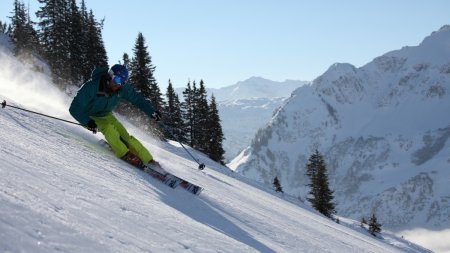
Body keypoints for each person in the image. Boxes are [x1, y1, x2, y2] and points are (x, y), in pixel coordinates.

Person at [69, 64, 162, 168]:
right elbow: (74, 108)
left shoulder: (121, 89)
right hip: (88, 116)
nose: (118, 84)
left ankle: (148, 160)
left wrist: (151, 112)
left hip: (105, 114)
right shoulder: (91, 86)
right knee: (108, 128)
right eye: (117, 80)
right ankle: (124, 154)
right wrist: (87, 121)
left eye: (122, 82)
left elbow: (137, 99)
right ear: (110, 76)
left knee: (126, 136)